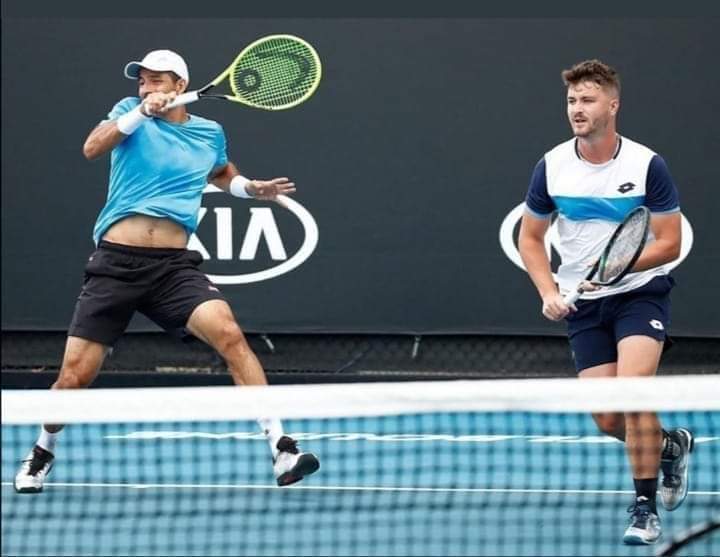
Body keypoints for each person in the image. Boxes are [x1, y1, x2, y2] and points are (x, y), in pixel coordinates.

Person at [14, 49, 319, 493]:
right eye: (142, 80)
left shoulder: (209, 132)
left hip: (173, 268)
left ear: (180, 85)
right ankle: (43, 451)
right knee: (73, 379)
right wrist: (140, 112)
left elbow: (221, 174)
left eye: (156, 80)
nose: (145, 87)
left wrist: (251, 188)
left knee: (230, 335)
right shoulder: (128, 111)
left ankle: (282, 448)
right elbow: (92, 147)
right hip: (116, 265)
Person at [517, 59, 692, 545]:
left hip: (640, 294)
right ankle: (668, 447)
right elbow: (530, 238)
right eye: (572, 100)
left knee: (633, 394)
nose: (577, 108)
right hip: (585, 306)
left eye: (588, 100)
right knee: (608, 418)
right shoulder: (552, 165)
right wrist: (548, 291)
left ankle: (644, 507)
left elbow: (670, 242)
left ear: (612, 105)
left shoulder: (646, 165)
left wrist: (618, 269)